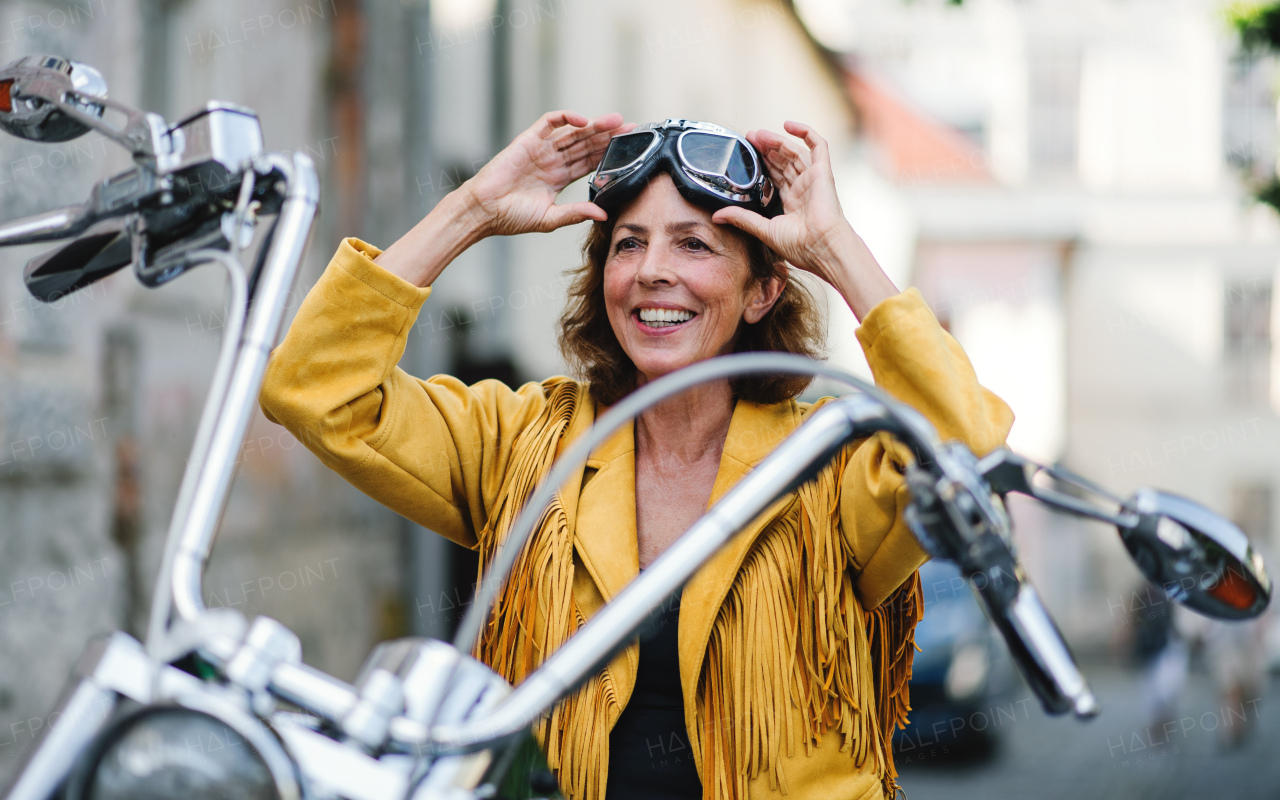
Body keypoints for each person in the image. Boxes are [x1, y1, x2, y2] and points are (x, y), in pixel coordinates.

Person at [259, 112, 1014, 800]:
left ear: (761, 293)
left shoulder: (831, 463)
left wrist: (834, 248)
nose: (653, 270)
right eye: (629, 244)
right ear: (605, 280)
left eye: (693, 243)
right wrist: (472, 211)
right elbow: (316, 388)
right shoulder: (522, 443)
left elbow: (967, 441)